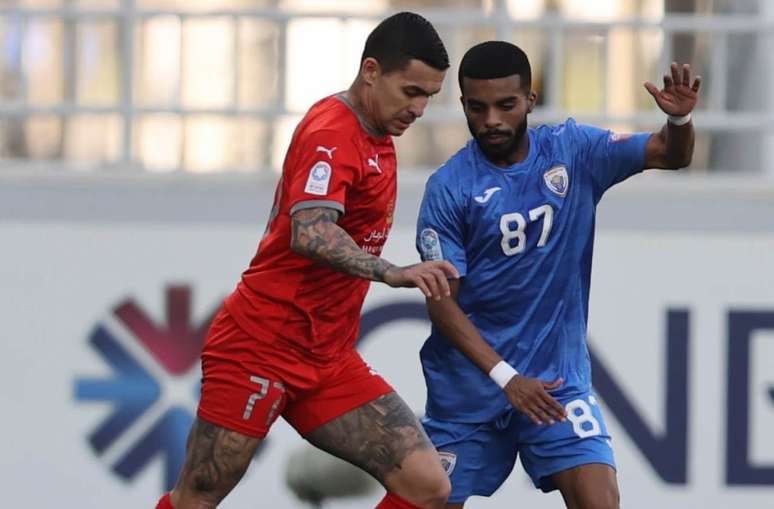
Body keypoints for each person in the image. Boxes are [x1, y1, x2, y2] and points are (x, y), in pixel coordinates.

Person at [155, 12, 459, 509]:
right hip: (261, 344)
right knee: (199, 495)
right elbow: (310, 231)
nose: (421, 108)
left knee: (427, 485)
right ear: (372, 71)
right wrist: (392, 271)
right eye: (411, 91)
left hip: (326, 358)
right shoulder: (333, 132)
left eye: (429, 96)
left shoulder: (377, 133)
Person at [415, 41, 701, 509]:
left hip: (555, 385)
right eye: (477, 107)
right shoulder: (449, 188)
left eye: (506, 105)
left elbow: (670, 155)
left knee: (599, 500)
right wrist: (507, 378)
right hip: (469, 394)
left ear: (530, 99)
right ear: (463, 104)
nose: (491, 120)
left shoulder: (574, 151)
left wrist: (679, 120)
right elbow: (441, 301)